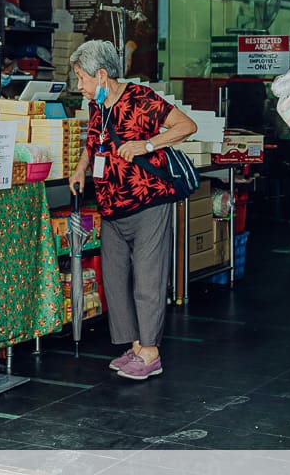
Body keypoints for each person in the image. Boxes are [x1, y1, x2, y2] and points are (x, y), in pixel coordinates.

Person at [67, 39, 195, 381]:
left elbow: (186, 126)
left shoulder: (141, 99)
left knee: (147, 279)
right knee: (115, 280)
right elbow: (93, 142)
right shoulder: (98, 106)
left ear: (102, 74)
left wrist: (147, 144)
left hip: (148, 203)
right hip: (111, 206)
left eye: (82, 78)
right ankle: (136, 346)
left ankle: (151, 353)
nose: (79, 86)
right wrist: (81, 168)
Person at [86, 0, 154, 79]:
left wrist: (130, 46)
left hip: (137, 58)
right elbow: (95, 28)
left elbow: (144, 24)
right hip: (110, 59)